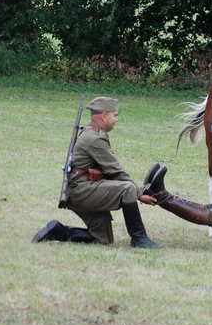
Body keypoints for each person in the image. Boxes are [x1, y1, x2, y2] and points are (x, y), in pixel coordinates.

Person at [32, 96, 161, 249]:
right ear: (104, 115)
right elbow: (115, 170)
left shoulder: (91, 133)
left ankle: (60, 232)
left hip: (81, 190)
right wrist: (139, 194)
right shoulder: (94, 138)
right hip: (82, 192)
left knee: (102, 238)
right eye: (115, 115)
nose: (117, 119)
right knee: (127, 189)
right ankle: (139, 238)